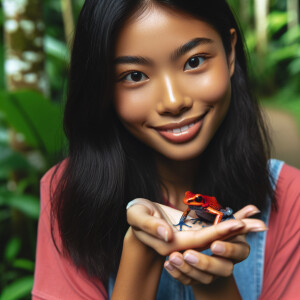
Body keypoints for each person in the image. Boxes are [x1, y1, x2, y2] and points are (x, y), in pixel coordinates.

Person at [32, 0, 300, 299]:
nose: (173, 102)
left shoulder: (291, 197)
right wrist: (142, 250)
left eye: (194, 61)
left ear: (231, 52)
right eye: (135, 76)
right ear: (102, 87)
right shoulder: (68, 194)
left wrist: (212, 281)